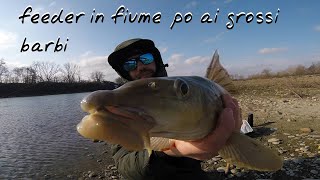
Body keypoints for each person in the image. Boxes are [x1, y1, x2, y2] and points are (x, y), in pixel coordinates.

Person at [107, 38, 242, 180]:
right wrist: (167, 152)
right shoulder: (119, 108)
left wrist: (230, 135)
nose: (140, 67)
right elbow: (124, 165)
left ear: (156, 60)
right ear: (124, 72)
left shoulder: (185, 89)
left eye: (146, 59)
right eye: (130, 64)